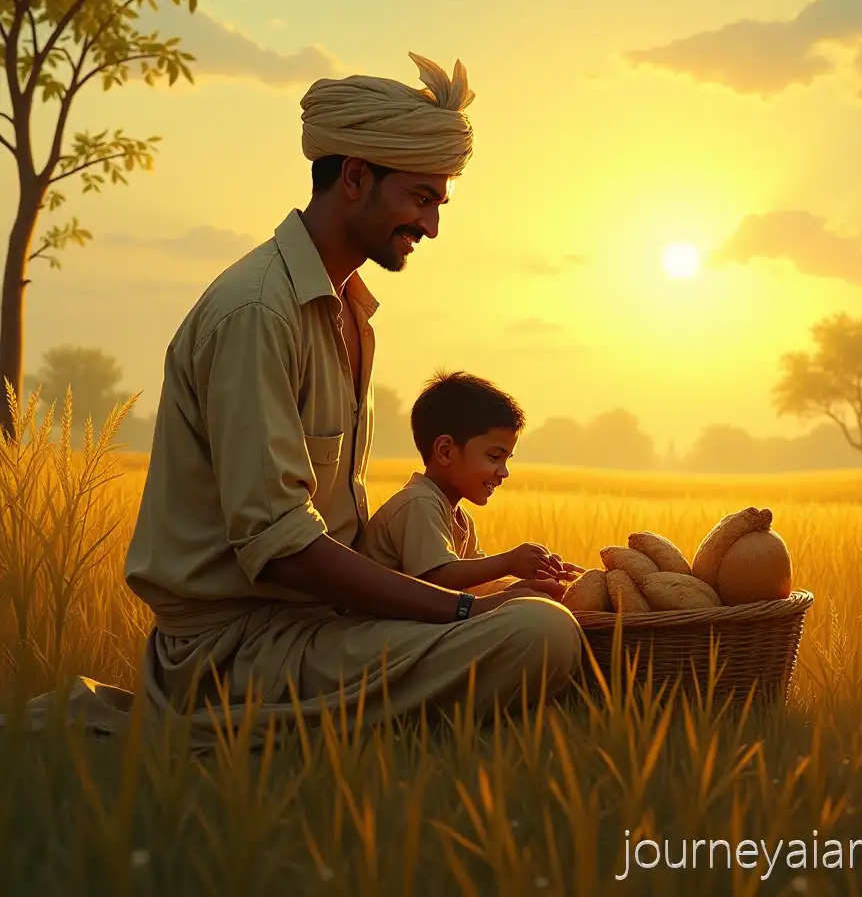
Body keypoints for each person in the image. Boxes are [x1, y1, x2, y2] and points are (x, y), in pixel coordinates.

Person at [5, 53, 583, 749]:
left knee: (546, 618)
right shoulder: (258, 312)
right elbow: (282, 549)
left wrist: (479, 590)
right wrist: (463, 611)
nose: (431, 227)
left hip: (322, 627)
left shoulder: (348, 311)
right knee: (541, 634)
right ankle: (168, 732)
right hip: (237, 651)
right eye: (421, 199)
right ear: (355, 178)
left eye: (438, 204)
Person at [358, 369, 585, 601]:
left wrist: (533, 583)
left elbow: (474, 586)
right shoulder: (418, 503)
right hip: (378, 622)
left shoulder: (460, 518)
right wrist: (508, 562)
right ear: (446, 451)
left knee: (533, 604)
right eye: (494, 457)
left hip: (418, 618)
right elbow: (438, 579)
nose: (504, 472)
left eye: (507, 460)